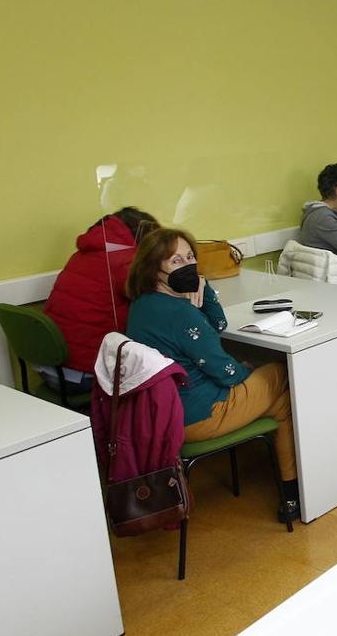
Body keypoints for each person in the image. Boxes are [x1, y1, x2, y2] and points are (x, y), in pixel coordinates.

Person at [125, 229, 300, 523]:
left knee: (281, 404)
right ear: (155, 270)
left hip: (164, 413)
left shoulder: (141, 305)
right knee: (281, 372)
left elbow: (216, 326)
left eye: (191, 257)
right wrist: (249, 370)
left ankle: (291, 493)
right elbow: (227, 372)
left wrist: (203, 292)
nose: (188, 265)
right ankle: (293, 493)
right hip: (201, 414)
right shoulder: (180, 313)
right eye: (176, 261)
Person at [42, 207, 160, 393]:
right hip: (85, 375)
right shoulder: (123, 260)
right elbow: (158, 300)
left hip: (50, 367)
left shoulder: (83, 254)